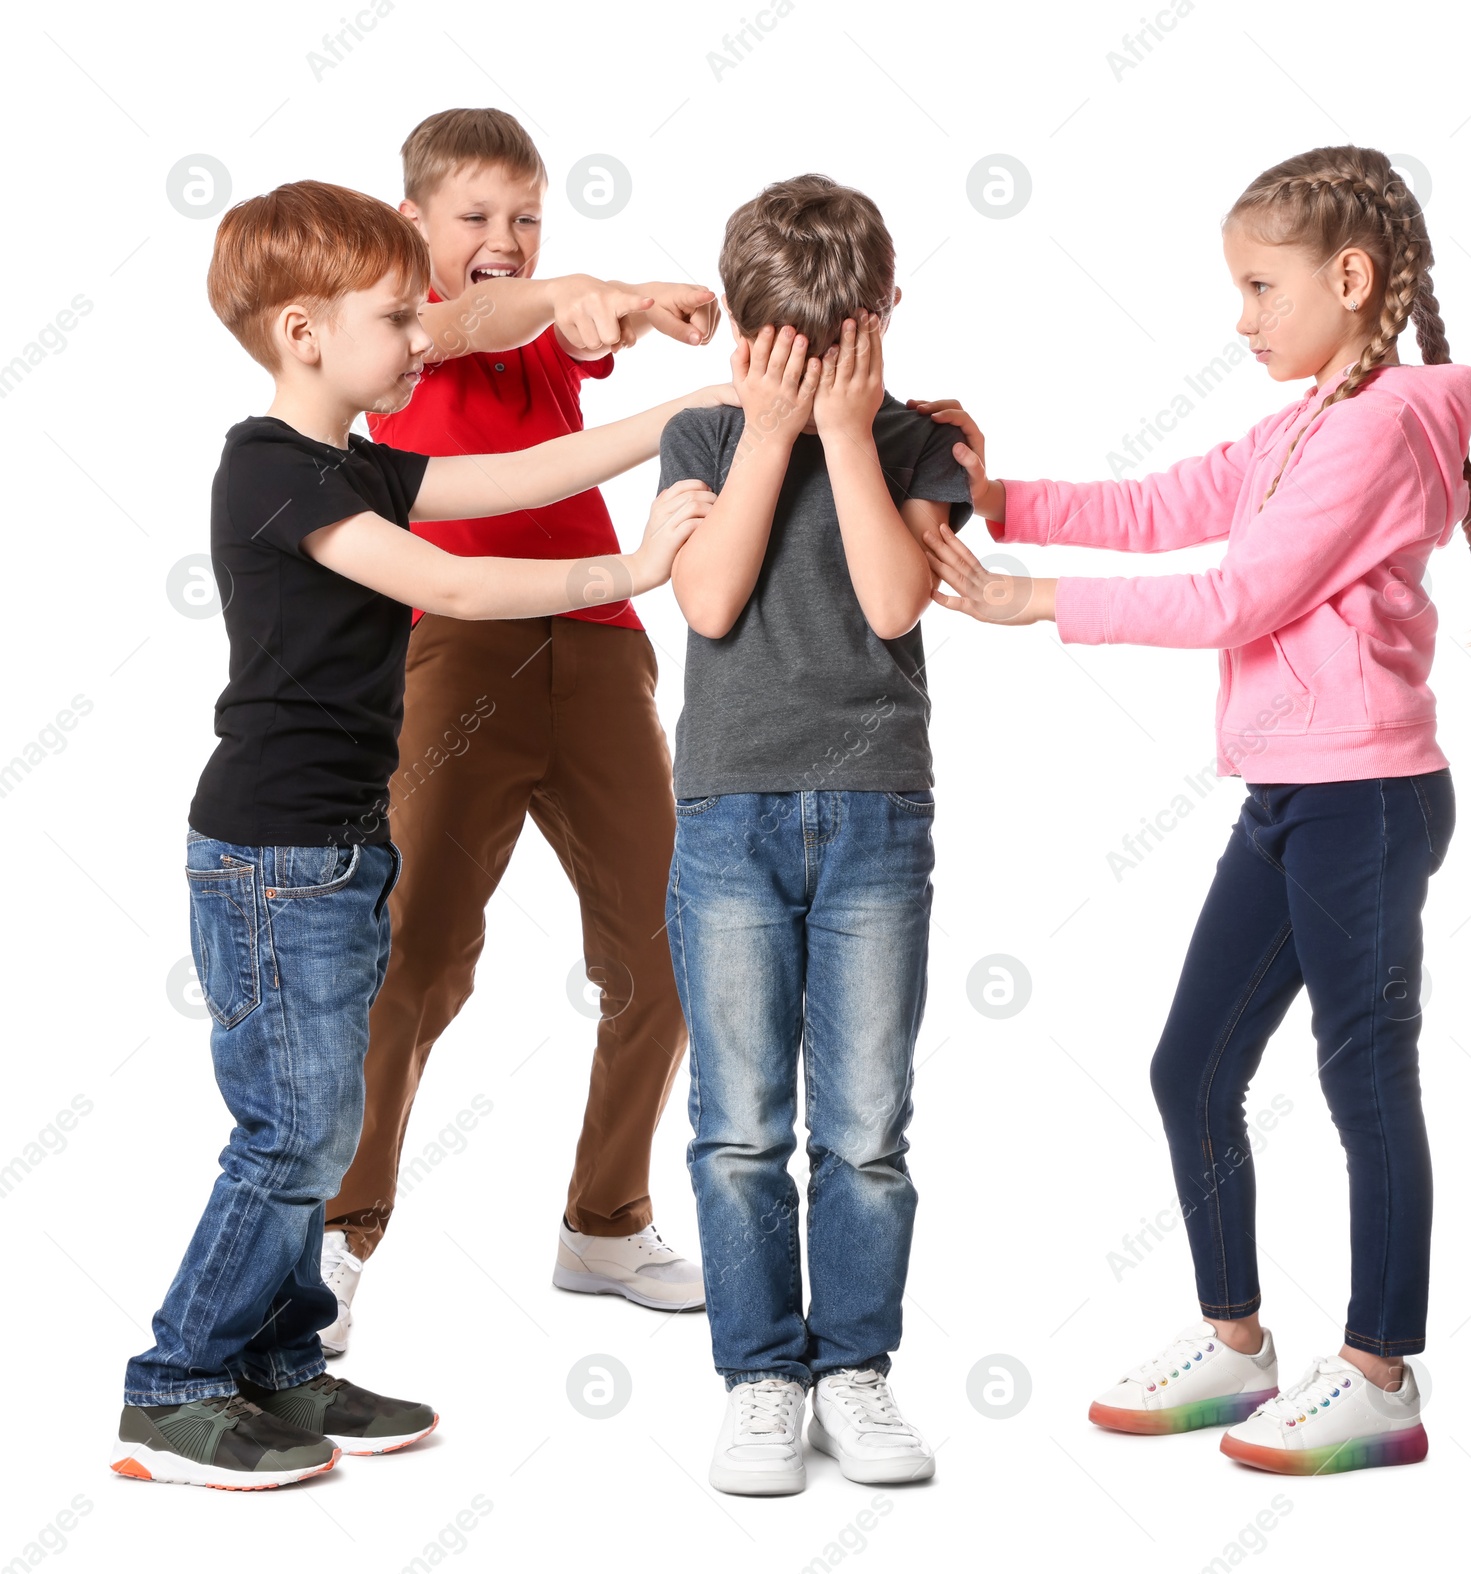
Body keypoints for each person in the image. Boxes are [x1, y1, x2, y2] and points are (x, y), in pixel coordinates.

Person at [116, 179, 726, 1490]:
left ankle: (283, 1364)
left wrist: (688, 413)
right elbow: (448, 580)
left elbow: (522, 474)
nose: (418, 338)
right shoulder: (271, 468)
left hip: (335, 852)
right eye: (397, 318)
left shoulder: (357, 464)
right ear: (302, 334)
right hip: (273, 857)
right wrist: (627, 572)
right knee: (289, 1137)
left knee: (321, 1128)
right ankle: (175, 1387)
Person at [922, 145, 1471, 1475]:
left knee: (1362, 1078)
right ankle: (1238, 1344)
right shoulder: (1304, 417)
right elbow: (1169, 503)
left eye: (1259, 287)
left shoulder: (1382, 424)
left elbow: (1240, 598)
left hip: (1367, 797)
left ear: (1348, 280)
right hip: (1297, 793)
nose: (1240, 318)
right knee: (1194, 1066)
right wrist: (998, 499)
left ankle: (1379, 1374)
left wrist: (1036, 598)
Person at [319, 108, 721, 1351]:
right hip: (458, 650)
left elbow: (556, 336)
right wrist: (580, 286)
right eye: (476, 218)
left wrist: (641, 305)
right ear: (412, 228)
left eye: (525, 216)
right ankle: (336, 1233)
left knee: (669, 952)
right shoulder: (400, 334)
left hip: (600, 644)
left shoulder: (545, 339)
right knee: (418, 955)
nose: (503, 239)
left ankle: (605, 1222)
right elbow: (485, 317)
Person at [660, 175, 971, 1495]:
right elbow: (714, 598)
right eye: (783, 348)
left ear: (882, 318)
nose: (806, 371)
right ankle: (760, 1377)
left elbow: (897, 602)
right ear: (747, 329)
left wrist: (846, 432)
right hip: (731, 809)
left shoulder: (918, 443)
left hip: (877, 819)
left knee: (865, 1125)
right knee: (738, 1124)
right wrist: (772, 431)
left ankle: (853, 1366)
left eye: (832, 345)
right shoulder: (700, 436)